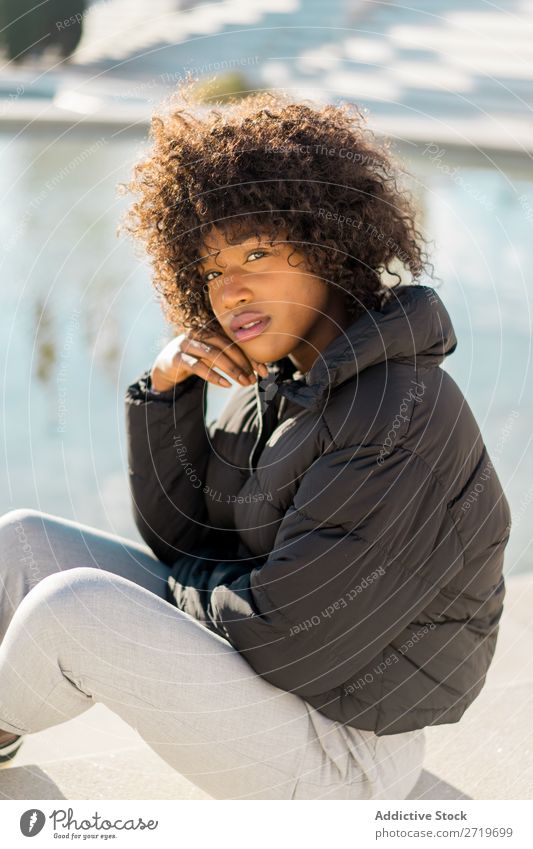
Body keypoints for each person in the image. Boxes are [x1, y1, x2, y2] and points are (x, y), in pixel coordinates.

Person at [0, 90, 511, 799]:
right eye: (210, 270)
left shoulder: (395, 410)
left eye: (256, 252)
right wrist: (166, 391)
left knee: (73, 609)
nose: (229, 290)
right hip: (280, 699)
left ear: (329, 248)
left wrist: (169, 605)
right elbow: (187, 539)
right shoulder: (289, 383)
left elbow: (294, 638)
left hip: (344, 756)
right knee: (20, 543)